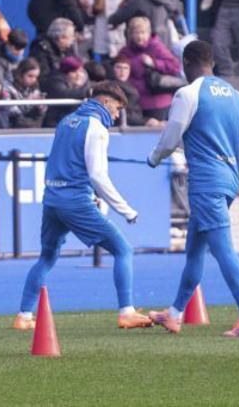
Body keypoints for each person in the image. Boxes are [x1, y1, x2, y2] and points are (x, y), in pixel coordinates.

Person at [146, 39, 239, 337]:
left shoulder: (188, 93)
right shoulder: (237, 96)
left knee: (222, 248)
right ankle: (175, 313)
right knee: (195, 250)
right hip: (228, 179)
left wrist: (154, 157)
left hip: (206, 180)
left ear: (186, 64)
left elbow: (171, 135)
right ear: (212, 63)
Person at [15, 81, 150, 331]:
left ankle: (23, 316)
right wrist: (126, 209)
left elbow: (62, 162)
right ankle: (127, 311)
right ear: (106, 101)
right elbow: (98, 175)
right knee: (123, 250)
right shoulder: (96, 128)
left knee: (47, 257)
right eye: (117, 108)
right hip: (75, 201)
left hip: (53, 199)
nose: (117, 115)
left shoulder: (67, 121)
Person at [116, 16, 180, 122]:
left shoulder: (156, 47)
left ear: (149, 33)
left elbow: (175, 66)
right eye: (136, 33)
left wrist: (154, 63)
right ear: (130, 34)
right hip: (136, 103)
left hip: (158, 103)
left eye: (143, 32)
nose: (140, 36)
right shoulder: (125, 52)